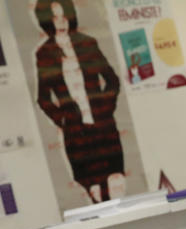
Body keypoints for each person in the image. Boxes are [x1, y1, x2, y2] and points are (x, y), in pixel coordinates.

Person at [34, 0, 126, 203]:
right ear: (47, 20)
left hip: (104, 128)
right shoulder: (44, 54)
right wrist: (64, 121)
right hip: (77, 135)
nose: (61, 22)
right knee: (95, 194)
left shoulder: (87, 43)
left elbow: (112, 80)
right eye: (55, 17)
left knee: (116, 184)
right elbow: (43, 98)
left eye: (64, 15)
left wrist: (106, 107)